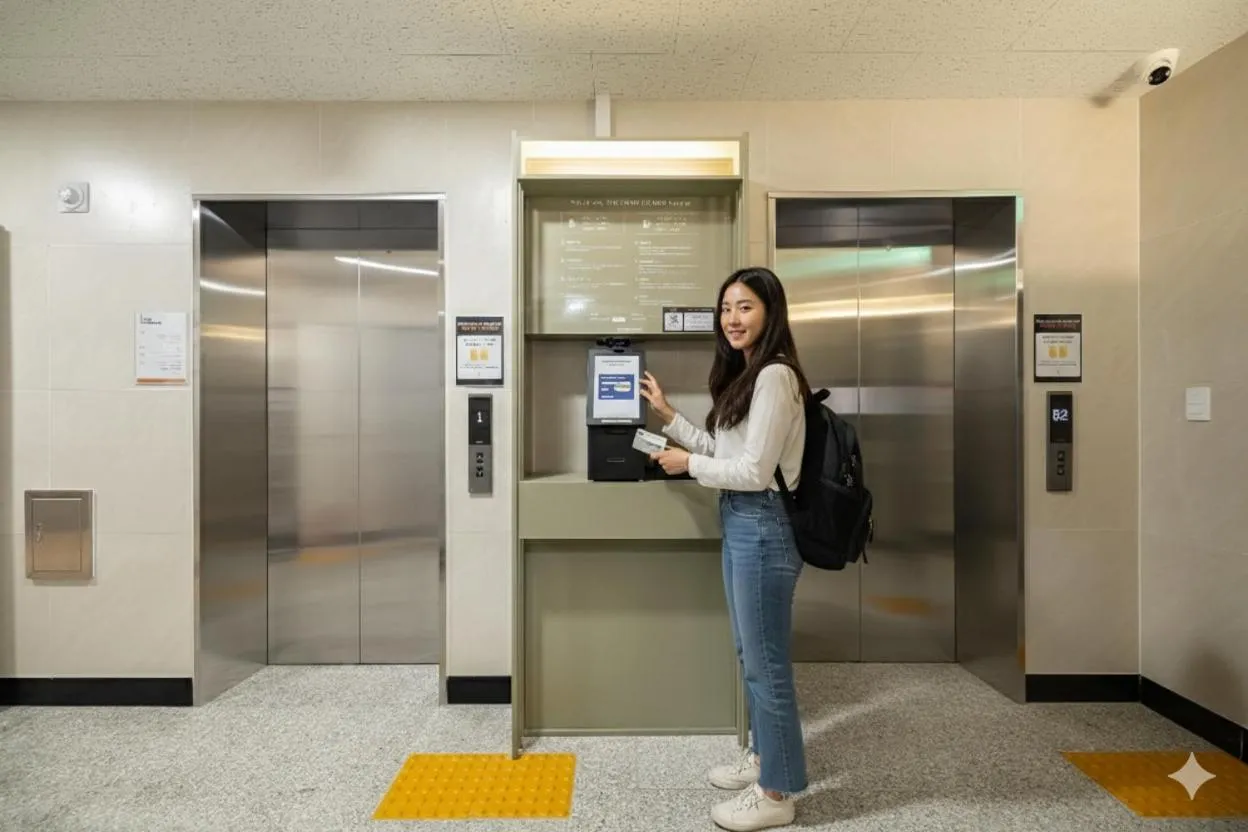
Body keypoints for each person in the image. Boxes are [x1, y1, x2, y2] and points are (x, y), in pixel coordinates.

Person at [640, 266, 810, 832]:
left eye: (745, 308)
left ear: (770, 312)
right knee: (750, 655)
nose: (732, 319)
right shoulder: (750, 374)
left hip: (763, 525)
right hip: (741, 520)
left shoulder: (775, 377)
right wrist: (672, 418)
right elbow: (727, 449)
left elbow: (754, 472)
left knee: (767, 667)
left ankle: (776, 794)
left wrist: (687, 464)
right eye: (726, 308)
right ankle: (764, 758)